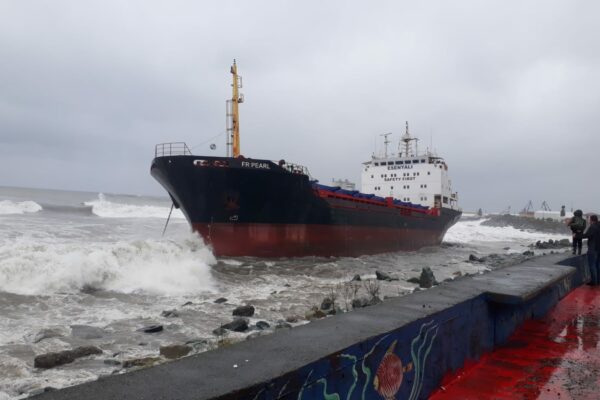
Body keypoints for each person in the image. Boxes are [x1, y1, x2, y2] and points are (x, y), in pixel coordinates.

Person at [582, 215, 600, 285]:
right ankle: (598, 280)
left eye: (589, 219)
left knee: (592, 265)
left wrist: (577, 235)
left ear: (592, 220)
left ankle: (594, 281)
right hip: (599, 249)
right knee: (598, 265)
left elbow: (586, 235)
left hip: (593, 249)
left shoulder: (593, 227)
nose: (589, 221)